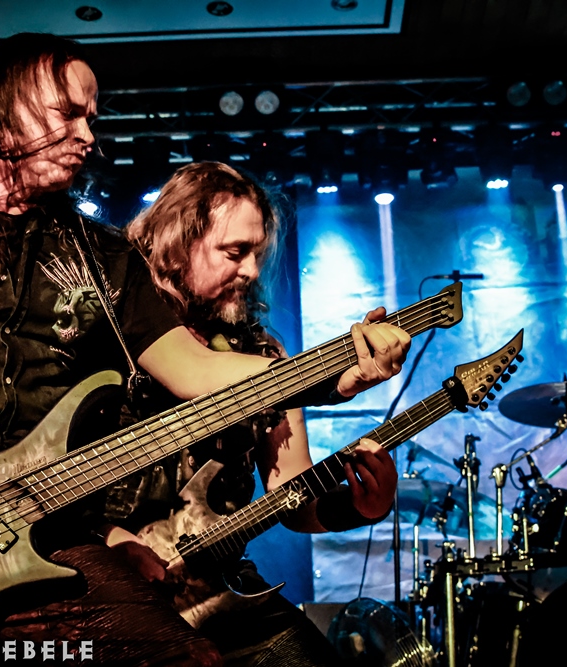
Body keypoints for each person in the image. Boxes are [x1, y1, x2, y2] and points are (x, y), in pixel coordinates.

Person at [0, 34, 410, 665]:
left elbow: (195, 369)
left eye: (92, 118)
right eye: (67, 113)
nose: (88, 135)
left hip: (39, 527)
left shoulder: (103, 255)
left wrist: (335, 370)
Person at [96, 161, 405, 666]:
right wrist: (108, 542)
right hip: (107, 589)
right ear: (178, 244)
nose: (253, 271)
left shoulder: (264, 356)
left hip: (220, 590)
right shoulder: (108, 344)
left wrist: (363, 506)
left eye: (257, 253)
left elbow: (295, 499)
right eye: (235, 252)